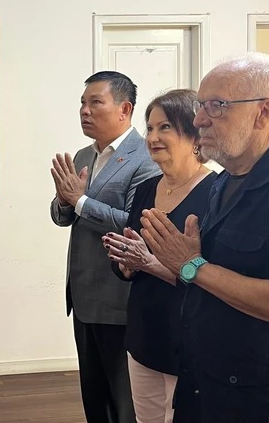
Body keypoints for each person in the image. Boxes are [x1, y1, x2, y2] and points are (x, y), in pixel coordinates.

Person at [140, 53, 269, 423]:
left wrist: (191, 265)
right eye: (201, 106)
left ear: (264, 112)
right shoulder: (224, 182)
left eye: (216, 106)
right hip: (209, 386)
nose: (199, 120)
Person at [50, 71, 160, 423]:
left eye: (96, 102)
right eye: (83, 103)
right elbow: (62, 216)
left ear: (124, 109)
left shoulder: (146, 158)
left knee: (123, 399)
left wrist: (79, 201)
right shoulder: (83, 155)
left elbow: (134, 222)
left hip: (119, 296)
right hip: (83, 293)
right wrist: (65, 203)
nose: (85, 110)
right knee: (94, 395)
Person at [102, 89, 217, 423]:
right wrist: (125, 264)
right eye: (150, 128)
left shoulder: (217, 192)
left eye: (164, 127)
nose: (152, 137)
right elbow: (130, 257)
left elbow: (214, 278)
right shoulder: (145, 189)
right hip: (144, 332)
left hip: (190, 337)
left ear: (193, 133)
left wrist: (149, 263)